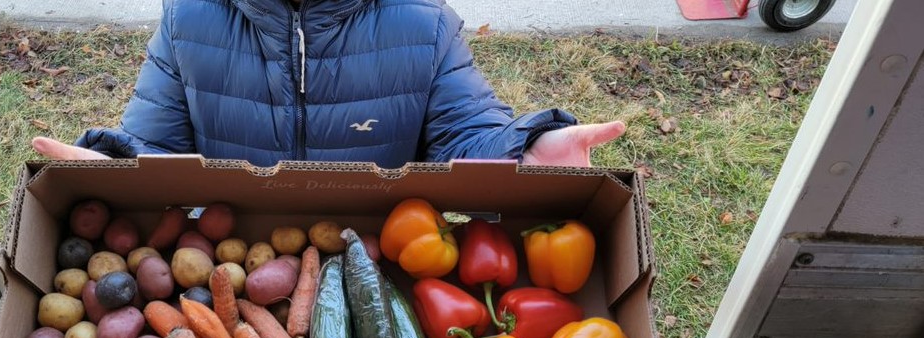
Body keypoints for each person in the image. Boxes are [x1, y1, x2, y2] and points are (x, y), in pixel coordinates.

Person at [32, 0, 625, 167]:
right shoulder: (190, 19)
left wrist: (523, 145)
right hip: (236, 260)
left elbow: (464, 135)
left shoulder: (421, 23)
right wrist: (113, 165)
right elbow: (156, 146)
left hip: (377, 254)